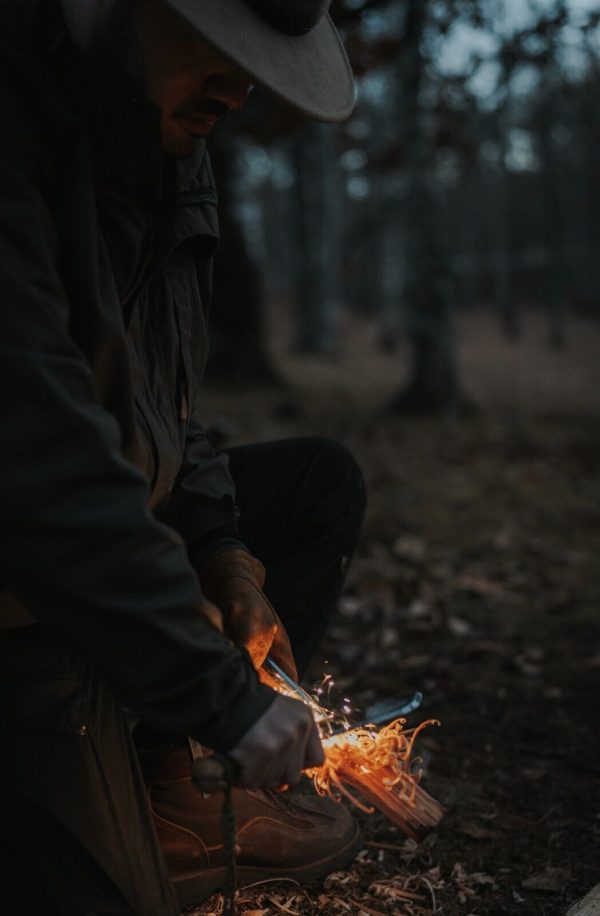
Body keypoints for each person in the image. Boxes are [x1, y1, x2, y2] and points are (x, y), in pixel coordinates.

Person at [0, 0, 366, 913]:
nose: (238, 88)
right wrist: (219, 697)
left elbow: (164, 403)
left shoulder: (168, 146)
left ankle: (174, 789)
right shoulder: (16, 122)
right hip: (27, 566)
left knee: (316, 484)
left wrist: (223, 556)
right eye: (218, 46)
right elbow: (36, 450)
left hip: (96, 522)